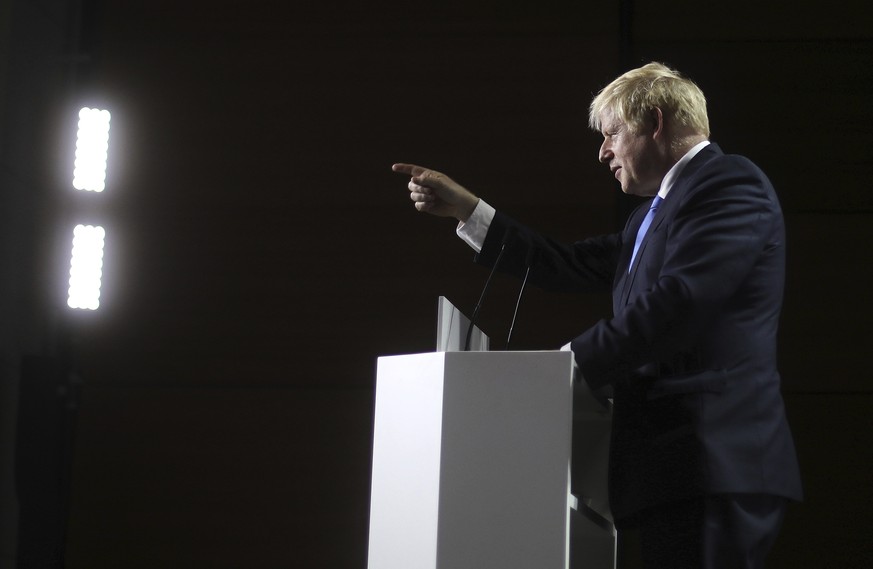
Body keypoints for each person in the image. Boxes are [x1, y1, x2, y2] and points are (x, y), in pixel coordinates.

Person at [392, 62, 802, 569]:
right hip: (672, 468)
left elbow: (680, 302)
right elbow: (565, 264)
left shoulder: (728, 183)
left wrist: (566, 365)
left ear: (654, 121)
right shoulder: (648, 219)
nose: (602, 151)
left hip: (713, 461)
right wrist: (469, 211)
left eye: (612, 133)